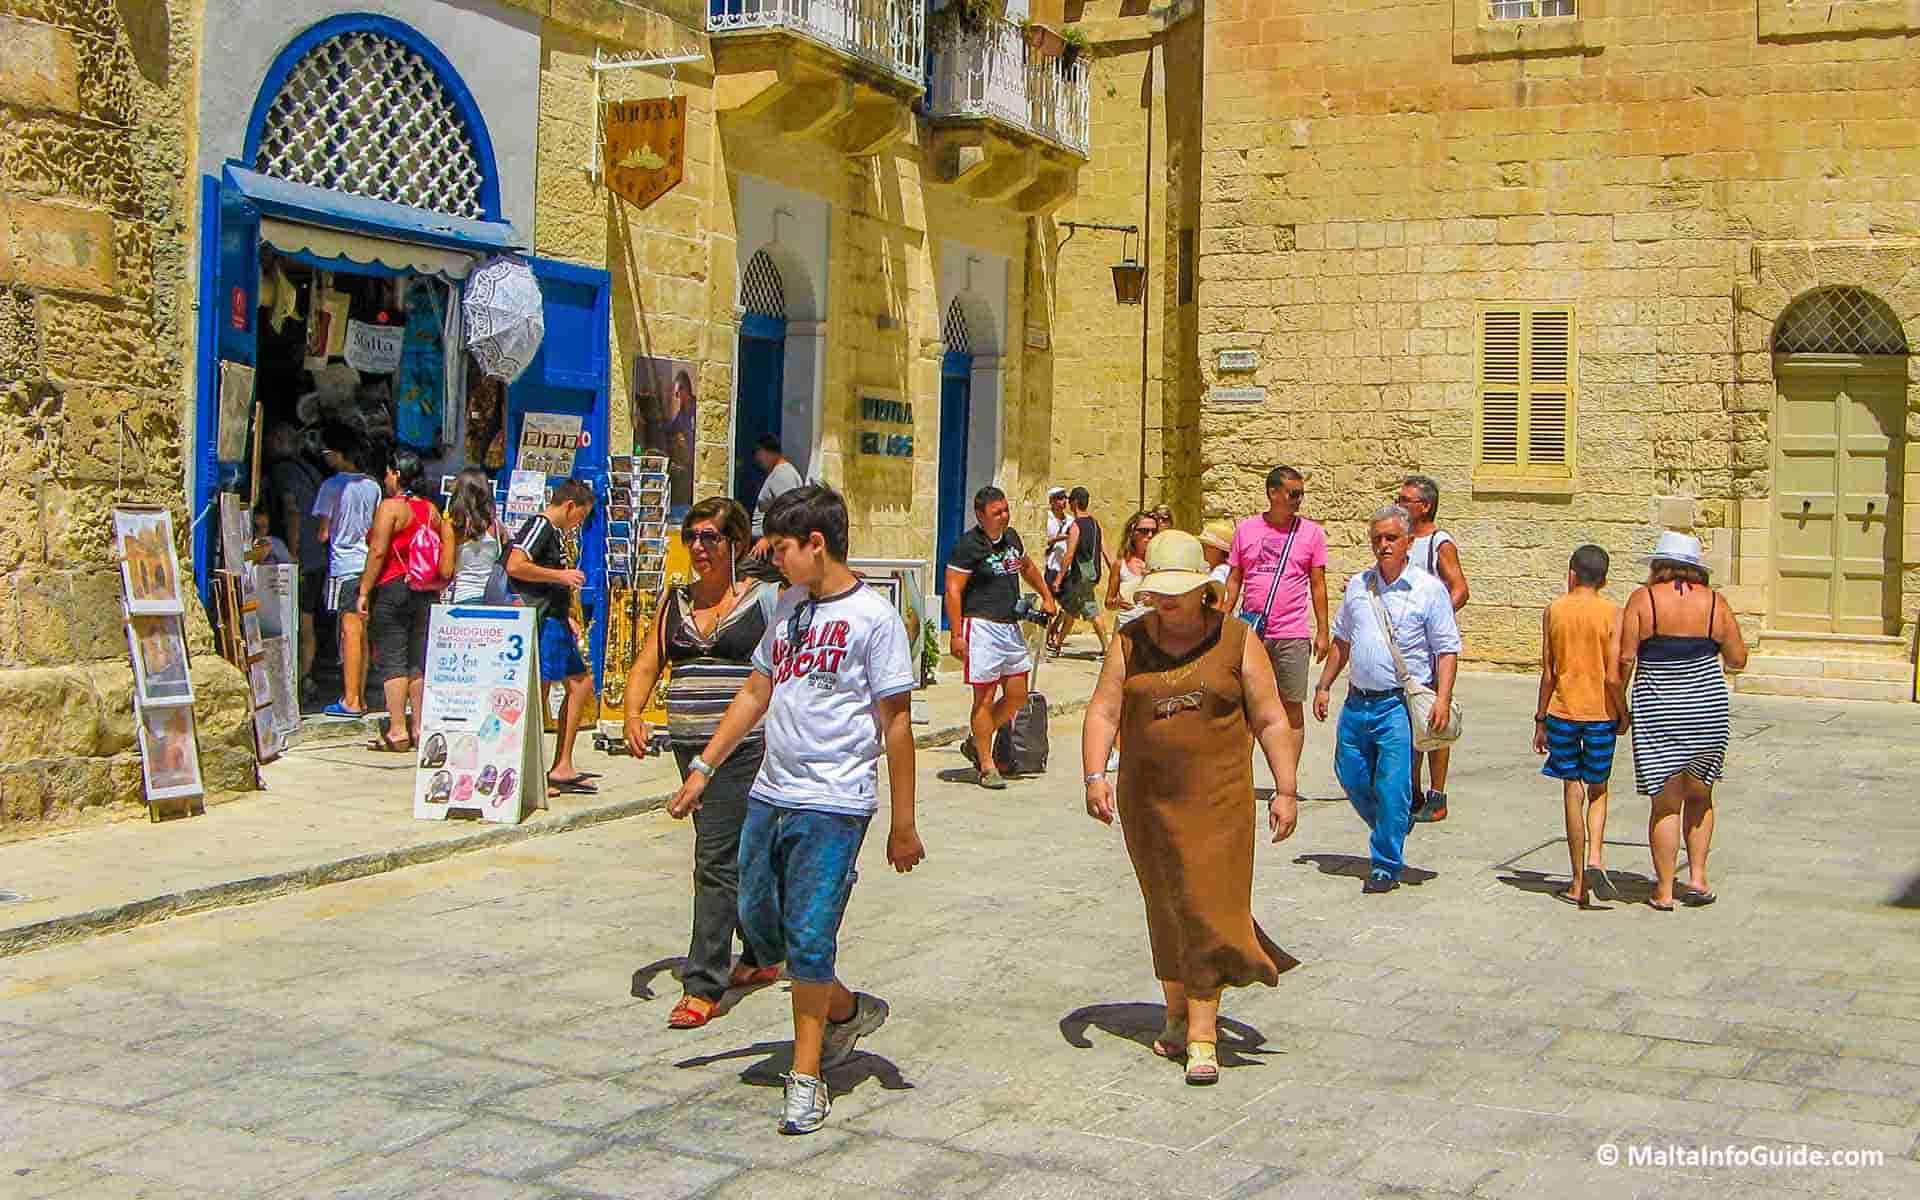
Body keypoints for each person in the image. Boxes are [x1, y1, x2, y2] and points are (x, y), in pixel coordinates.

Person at [667, 484, 924, 1136]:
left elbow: (896, 725)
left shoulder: (874, 619)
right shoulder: (787, 605)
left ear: (816, 544)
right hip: (769, 793)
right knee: (762, 926)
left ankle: (806, 1077)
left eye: (780, 548)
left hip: (834, 803)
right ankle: (846, 1009)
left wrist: (903, 823)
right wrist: (704, 767)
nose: (772, 559)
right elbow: (757, 691)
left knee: (810, 938)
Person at [1081, 530, 1301, 1085]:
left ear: (1203, 589)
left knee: (1209, 905)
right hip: (1148, 800)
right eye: (1160, 592)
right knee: (1166, 903)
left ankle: (1204, 1034)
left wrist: (1286, 788)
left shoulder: (1238, 640)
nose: (1168, 601)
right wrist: (1094, 775)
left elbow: (1270, 716)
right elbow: (1104, 711)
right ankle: (1178, 1012)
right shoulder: (1129, 642)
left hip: (1219, 801)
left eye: (1178, 591)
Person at [624, 497, 782, 1028]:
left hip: (743, 747)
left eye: (709, 537)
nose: (698, 547)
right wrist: (633, 713)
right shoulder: (676, 600)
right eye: (691, 536)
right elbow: (649, 662)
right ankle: (764, 951)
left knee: (714, 858)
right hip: (688, 746)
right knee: (738, 853)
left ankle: (703, 983)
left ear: (735, 543)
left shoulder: (764, 601)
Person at [1312, 505, 1460, 894]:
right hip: (1357, 702)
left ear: (1408, 542)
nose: (1383, 545)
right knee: (1350, 773)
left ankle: (1385, 864)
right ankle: (1393, 823)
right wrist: (1324, 684)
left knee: (1393, 787)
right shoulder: (1359, 586)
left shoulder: (1428, 590)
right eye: (1377, 538)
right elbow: (1342, 640)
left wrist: (1443, 699)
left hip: (1397, 706)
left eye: (1391, 538)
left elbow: (1447, 650)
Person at [1618, 532, 1747, 911]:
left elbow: (1625, 658)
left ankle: (1663, 890)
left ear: (1658, 565)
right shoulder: (1715, 603)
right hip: (1707, 711)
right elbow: (1738, 659)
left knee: (1666, 803)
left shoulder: (1643, 600)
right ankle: (1699, 877)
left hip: (1659, 711)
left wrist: (1619, 705)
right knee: (1701, 795)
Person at [1533, 545, 1627, 908]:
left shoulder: (1553, 610)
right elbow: (1614, 675)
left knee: (1572, 788)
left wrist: (1540, 718)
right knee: (1598, 788)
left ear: (1572, 573)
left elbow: (1548, 671)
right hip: (1600, 713)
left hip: (1563, 710)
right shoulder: (1613, 613)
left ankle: (1576, 882)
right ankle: (1596, 857)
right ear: (1604, 579)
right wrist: (1623, 712)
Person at [946, 485, 1057, 790]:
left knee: (1018, 694)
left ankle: (976, 740)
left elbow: (1027, 567)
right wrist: (956, 634)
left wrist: (1046, 595)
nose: (1004, 516)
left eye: (1006, 510)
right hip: (982, 628)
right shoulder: (968, 546)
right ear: (981, 516)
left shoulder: (1012, 539)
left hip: (1009, 626)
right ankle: (986, 765)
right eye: (997, 513)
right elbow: (953, 589)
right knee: (984, 697)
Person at [1224, 466, 1330, 780]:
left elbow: (1318, 585)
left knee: (1291, 707)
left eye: (1301, 494)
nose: (1299, 500)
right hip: (1251, 631)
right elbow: (1234, 579)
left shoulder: (1311, 534)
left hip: (1292, 633)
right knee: (1245, 708)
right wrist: (1222, 619)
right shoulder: (1246, 530)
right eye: (1293, 493)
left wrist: (1323, 631)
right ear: (1273, 493)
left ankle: (1286, 780)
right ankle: (1240, 780)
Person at [506, 479, 597, 795]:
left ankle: (563, 764)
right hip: (543, 622)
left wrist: (566, 614)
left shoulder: (555, 533)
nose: (579, 524)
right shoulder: (540, 526)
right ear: (570, 506)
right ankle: (526, 773)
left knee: (580, 683)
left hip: (556, 620)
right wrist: (561, 576)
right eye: (581, 516)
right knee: (539, 692)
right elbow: (515, 564)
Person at [357, 450, 450, 752]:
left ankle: (397, 730)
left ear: (397, 474)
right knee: (416, 660)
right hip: (425, 589)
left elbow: (378, 552)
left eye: (387, 473)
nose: (385, 479)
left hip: (393, 587)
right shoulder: (431, 510)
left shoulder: (391, 508)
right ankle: (419, 728)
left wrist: (364, 591)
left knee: (393, 658)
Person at [1396, 475, 1469, 823]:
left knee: (1434, 717)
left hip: (1431, 650)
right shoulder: (1403, 541)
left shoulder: (1439, 543)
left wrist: (1433, 620)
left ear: (1424, 506)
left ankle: (1437, 795)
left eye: (1404, 500)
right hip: (1405, 651)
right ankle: (1411, 790)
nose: (1399, 505)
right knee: (1409, 718)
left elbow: (1460, 589)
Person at [312, 426, 382, 718]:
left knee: (350, 631)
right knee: (361, 631)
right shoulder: (373, 486)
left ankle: (351, 699)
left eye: (327, 452)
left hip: (344, 565)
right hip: (368, 566)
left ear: (339, 454)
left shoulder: (332, 486)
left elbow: (324, 533)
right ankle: (358, 696)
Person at [263, 424, 325, 698]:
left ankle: (293, 681)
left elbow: (292, 510)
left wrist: (293, 552)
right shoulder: (310, 470)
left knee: (293, 620)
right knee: (307, 619)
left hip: (299, 557)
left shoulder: (283, 472)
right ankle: (306, 676)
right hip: (318, 556)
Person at [1049, 487, 1113, 654]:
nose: (1068, 504)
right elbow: (1105, 550)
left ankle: (1107, 648)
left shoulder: (1076, 525)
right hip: (1093, 573)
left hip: (1081, 576)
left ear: (1075, 502)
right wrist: (1114, 572)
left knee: (1091, 611)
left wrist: (1058, 579)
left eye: (1070, 501)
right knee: (1071, 609)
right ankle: (1058, 644)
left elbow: (1069, 554)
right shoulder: (1095, 524)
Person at [441, 468, 507, 604]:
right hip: (494, 598)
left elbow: (446, 571)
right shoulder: (496, 525)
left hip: (464, 596)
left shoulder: (453, 525)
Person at [748, 434, 805, 557]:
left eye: (758, 452)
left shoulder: (783, 475)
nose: (757, 458)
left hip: (768, 547)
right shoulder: (777, 473)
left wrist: (768, 539)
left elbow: (787, 511)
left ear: (766, 451)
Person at [1107, 510, 1158, 629]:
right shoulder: (1120, 565)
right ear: (1133, 533)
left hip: (1153, 628)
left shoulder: (1161, 563)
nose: (1150, 535)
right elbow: (1109, 602)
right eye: (1144, 531)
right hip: (1126, 625)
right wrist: (1118, 603)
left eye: (1154, 531)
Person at [1043, 486, 1073, 594]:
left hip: (1067, 569)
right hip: (1052, 567)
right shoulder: (1046, 519)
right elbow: (1044, 542)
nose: (1064, 501)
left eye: (1065, 498)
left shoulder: (1070, 520)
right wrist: (1061, 538)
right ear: (1052, 501)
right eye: (1060, 498)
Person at [1198, 520, 1234, 589]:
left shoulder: (1220, 572)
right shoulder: (1226, 570)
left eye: (1207, 546)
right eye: (1203, 545)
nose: (1203, 550)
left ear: (1219, 550)